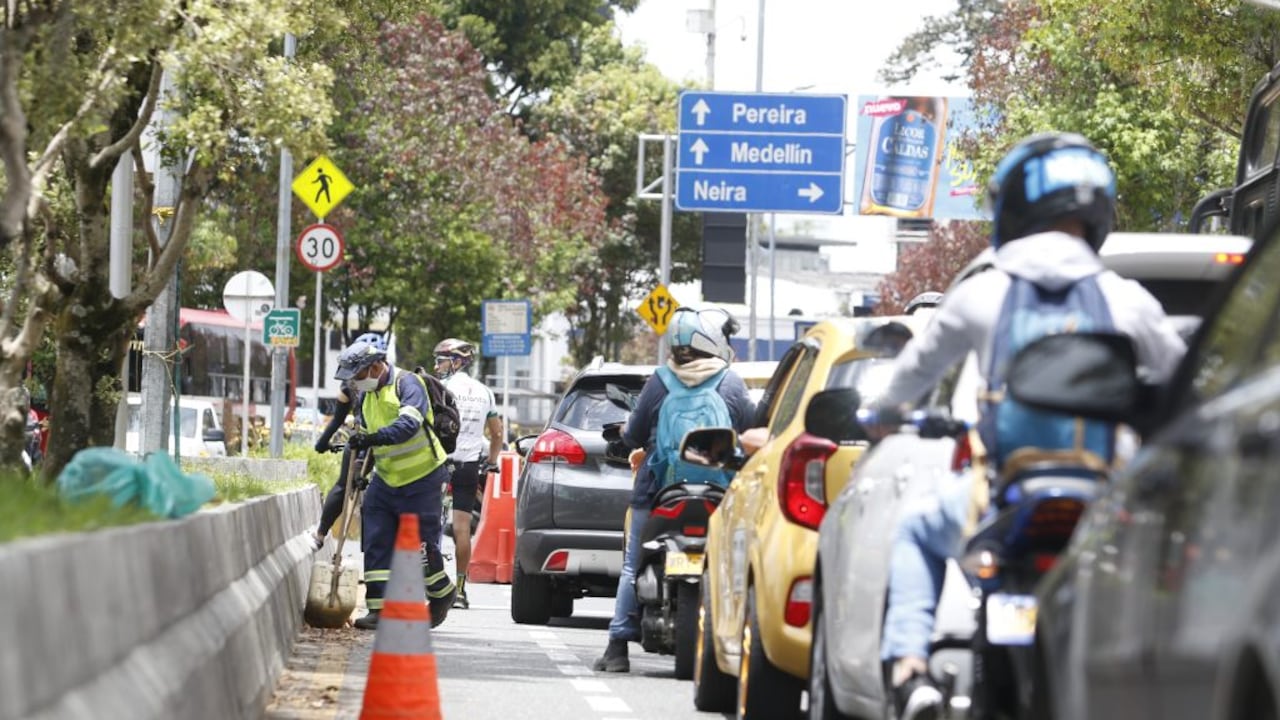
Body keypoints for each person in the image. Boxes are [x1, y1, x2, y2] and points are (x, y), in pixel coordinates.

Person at [870, 132, 1187, 719]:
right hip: (1099, 503)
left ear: (1014, 207)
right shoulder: (1127, 299)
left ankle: (912, 674)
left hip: (1002, 500)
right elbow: (1188, 388)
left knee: (915, 530)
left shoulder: (982, 293)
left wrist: (883, 417)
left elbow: (909, 378)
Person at [592, 306, 757, 673]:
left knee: (633, 564)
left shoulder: (661, 381)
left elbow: (633, 433)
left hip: (658, 491)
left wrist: (628, 438)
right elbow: (751, 431)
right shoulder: (730, 382)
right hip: (719, 493)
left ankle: (617, 647)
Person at [334, 337, 457, 630]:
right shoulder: (366, 396)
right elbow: (366, 434)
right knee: (376, 539)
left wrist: (371, 439)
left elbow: (407, 426)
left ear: (376, 367)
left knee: (421, 547)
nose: (354, 383)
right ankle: (378, 609)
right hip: (386, 479)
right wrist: (363, 466)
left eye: (358, 376)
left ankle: (442, 593)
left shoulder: (408, 384)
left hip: (423, 478)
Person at [433, 337, 504, 610]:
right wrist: (493, 461)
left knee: (431, 524)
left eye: (441, 360)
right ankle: (460, 592)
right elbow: (497, 433)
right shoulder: (485, 392)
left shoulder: (440, 387)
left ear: (457, 362)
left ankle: (434, 587)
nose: (437, 366)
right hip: (469, 465)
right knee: (462, 530)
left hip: (439, 463)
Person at [309, 332, 386, 551]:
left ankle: (320, 534)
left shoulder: (348, 384)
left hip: (362, 441)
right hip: (386, 439)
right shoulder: (390, 379)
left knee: (344, 485)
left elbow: (337, 420)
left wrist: (322, 443)